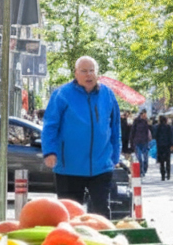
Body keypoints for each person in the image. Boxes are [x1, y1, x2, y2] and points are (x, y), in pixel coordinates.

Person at [40, 56, 121, 216]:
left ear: (97, 73)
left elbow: (115, 127)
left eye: (92, 71)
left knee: (101, 211)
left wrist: (115, 156)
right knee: (70, 214)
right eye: (84, 71)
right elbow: (50, 126)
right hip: (69, 166)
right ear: (76, 73)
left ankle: (102, 240)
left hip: (101, 165)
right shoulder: (62, 94)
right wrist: (49, 151)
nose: (88, 75)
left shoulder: (107, 95)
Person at [130, 110, 153, 178]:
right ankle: (141, 172)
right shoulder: (136, 121)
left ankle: (144, 170)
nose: (145, 115)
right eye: (144, 114)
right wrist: (131, 142)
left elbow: (149, 131)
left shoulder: (146, 121)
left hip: (145, 142)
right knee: (140, 158)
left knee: (146, 159)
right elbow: (132, 132)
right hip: (137, 142)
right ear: (142, 114)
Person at [154, 115, 173, 180]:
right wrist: (172, 145)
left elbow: (155, 136)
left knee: (162, 162)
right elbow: (171, 136)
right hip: (167, 146)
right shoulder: (169, 127)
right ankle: (168, 175)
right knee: (168, 161)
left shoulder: (158, 127)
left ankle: (163, 175)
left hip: (160, 146)